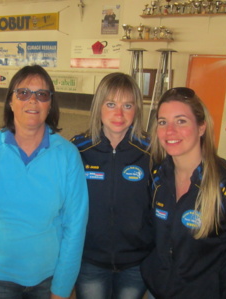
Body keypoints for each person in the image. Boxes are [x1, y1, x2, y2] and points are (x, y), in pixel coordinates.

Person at [0, 65, 89, 299]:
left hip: (48, 280)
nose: (33, 101)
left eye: (42, 95)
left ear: (50, 105)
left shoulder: (68, 156)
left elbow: (75, 226)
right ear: (10, 101)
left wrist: (63, 285)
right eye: (23, 93)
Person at [140, 87, 226, 298]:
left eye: (181, 121)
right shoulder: (158, 177)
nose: (170, 131)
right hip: (159, 290)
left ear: (202, 127)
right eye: (162, 122)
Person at [70, 72, 152, 299]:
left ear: (137, 109)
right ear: (98, 107)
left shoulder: (152, 152)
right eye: (111, 104)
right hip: (90, 260)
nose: (119, 113)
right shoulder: (78, 150)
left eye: (127, 105)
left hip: (136, 262)